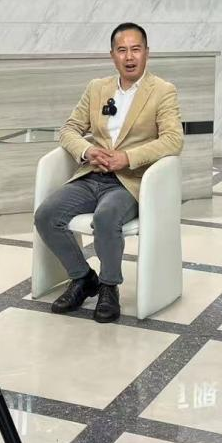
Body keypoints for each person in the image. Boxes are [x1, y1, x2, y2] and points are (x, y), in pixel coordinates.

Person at [34, 23, 184, 322]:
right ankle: (83, 277)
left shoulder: (162, 91)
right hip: (92, 175)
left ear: (147, 53)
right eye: (122, 50)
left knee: (106, 218)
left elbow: (173, 140)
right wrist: (88, 151)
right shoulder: (97, 88)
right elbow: (69, 129)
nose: (129, 57)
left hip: (130, 182)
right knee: (46, 216)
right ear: (112, 55)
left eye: (136, 49)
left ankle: (108, 286)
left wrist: (127, 158)